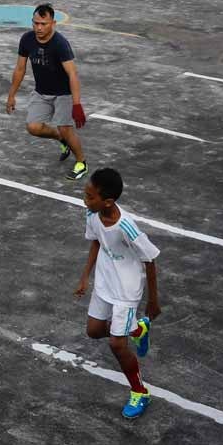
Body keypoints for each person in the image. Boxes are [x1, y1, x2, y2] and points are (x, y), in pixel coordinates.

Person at [74, 168, 162, 419]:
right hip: (105, 282)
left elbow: (150, 259)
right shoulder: (92, 214)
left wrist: (153, 301)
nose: (85, 200)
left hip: (126, 289)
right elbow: (95, 242)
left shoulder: (127, 227)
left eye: (90, 197)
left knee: (116, 343)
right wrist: (85, 277)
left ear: (108, 201)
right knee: (93, 331)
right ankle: (137, 330)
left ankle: (140, 391)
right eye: (85, 194)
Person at [5, 3, 89, 180]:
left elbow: (72, 73)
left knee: (65, 127)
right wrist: (11, 95)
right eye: (36, 23)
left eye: (44, 24)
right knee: (33, 127)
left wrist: (77, 104)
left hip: (63, 93)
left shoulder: (60, 44)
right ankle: (61, 139)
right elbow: (20, 69)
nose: (39, 28)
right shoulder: (27, 39)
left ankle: (81, 162)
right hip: (42, 92)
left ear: (53, 23)